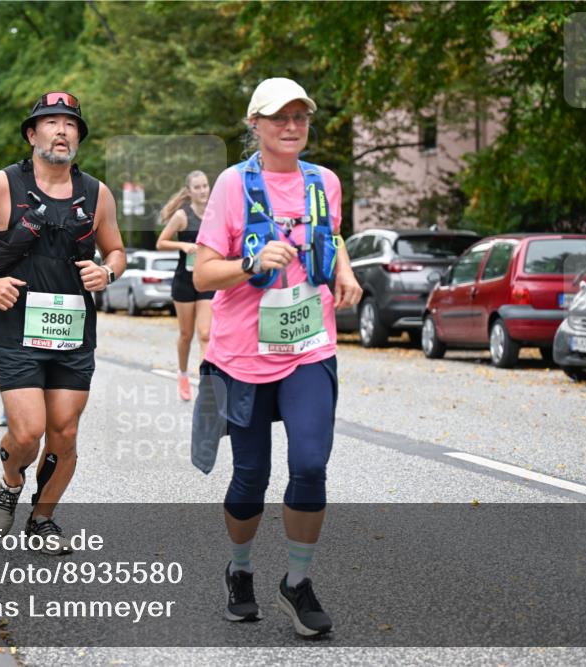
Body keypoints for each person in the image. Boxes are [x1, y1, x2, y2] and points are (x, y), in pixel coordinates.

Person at [192, 78, 362, 636]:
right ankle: (239, 571)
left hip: (310, 346)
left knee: (311, 465)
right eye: (279, 117)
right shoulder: (231, 186)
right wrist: (250, 261)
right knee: (250, 477)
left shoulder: (325, 182)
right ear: (255, 124)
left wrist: (345, 268)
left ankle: (297, 582)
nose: (291, 127)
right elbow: (201, 272)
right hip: (242, 353)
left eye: (300, 117)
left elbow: (330, 236)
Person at [0, 91, 125, 553]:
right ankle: (11, 482)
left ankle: (42, 520)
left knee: (64, 432)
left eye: (70, 124)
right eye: (51, 122)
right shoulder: (1, 186)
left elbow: (117, 251)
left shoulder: (96, 193)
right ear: (32, 134)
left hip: (73, 329)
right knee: (28, 431)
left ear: (78, 139)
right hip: (15, 325)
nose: (62, 130)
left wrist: (106, 272)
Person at [156, 170, 214, 401]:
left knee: (206, 334)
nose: (202, 191)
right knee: (186, 334)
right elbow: (161, 242)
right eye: (197, 187)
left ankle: (205, 384)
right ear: (189, 192)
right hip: (184, 281)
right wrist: (183, 246)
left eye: (205, 186)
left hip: (207, 279)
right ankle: (182, 374)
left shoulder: (215, 214)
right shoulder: (182, 215)